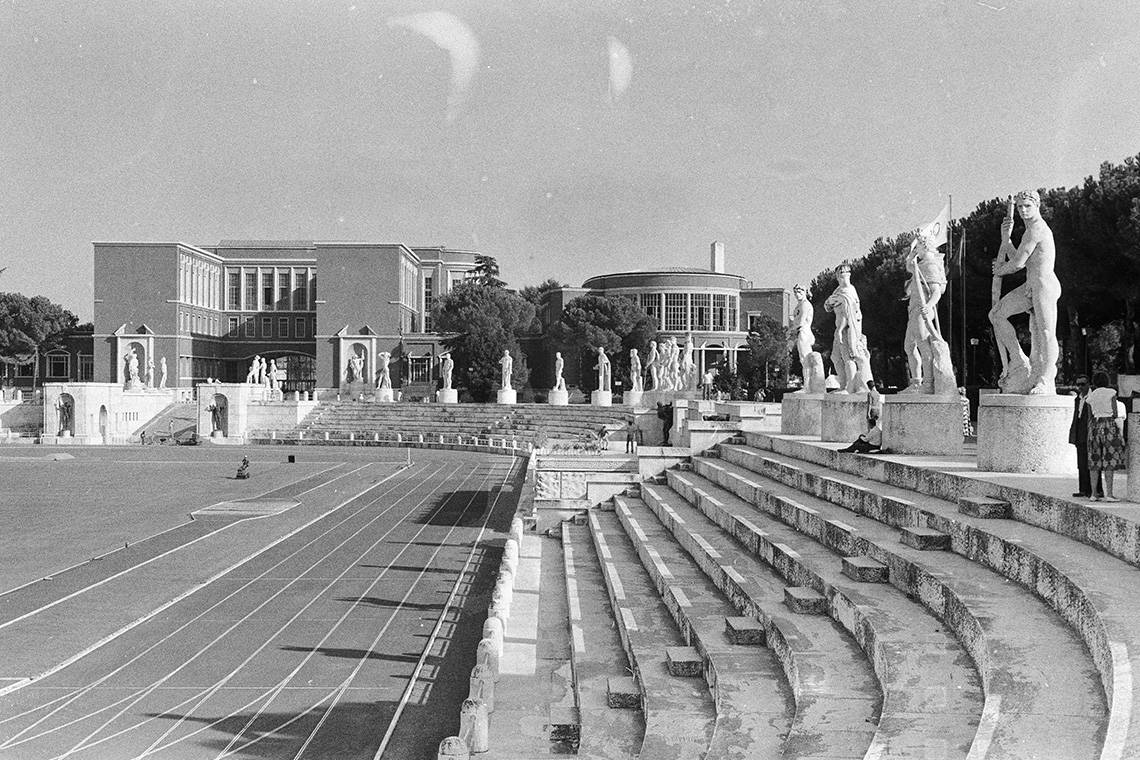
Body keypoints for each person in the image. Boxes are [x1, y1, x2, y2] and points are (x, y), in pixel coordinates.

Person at [989, 190, 1061, 394]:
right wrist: (1006, 238)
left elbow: (1018, 263)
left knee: (1046, 332)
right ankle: (1020, 362)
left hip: (1044, 285)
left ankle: (1047, 379)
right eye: (1019, 206)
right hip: (1031, 285)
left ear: (1037, 206)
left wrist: (1000, 270)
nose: (1022, 210)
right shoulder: (1028, 231)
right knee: (996, 315)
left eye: (1027, 206)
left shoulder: (1036, 230)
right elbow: (1020, 257)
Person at [824, 263, 874, 393]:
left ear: (849, 275)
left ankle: (849, 387)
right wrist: (832, 300)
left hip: (848, 328)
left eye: (844, 274)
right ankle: (843, 383)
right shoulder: (837, 291)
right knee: (835, 357)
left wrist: (840, 330)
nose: (841, 277)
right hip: (839, 327)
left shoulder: (850, 291)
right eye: (839, 275)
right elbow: (827, 306)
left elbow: (848, 314)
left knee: (849, 357)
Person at [1086, 371, 1125, 502]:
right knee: (1109, 459)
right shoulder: (1111, 392)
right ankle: (1109, 494)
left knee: (1094, 460)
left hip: (1094, 426)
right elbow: (1115, 412)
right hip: (1109, 425)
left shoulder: (1091, 395)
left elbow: (1090, 415)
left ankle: (1093, 494)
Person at [1068, 375, 1103, 498]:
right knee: (1081, 463)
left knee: (1093, 463)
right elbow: (1076, 417)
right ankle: (1083, 489)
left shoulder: (1093, 398)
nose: (1080, 387)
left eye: (1083, 384)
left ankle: (1096, 490)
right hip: (1080, 434)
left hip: (1090, 434)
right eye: (1078, 384)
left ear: (1089, 384)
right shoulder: (1078, 399)